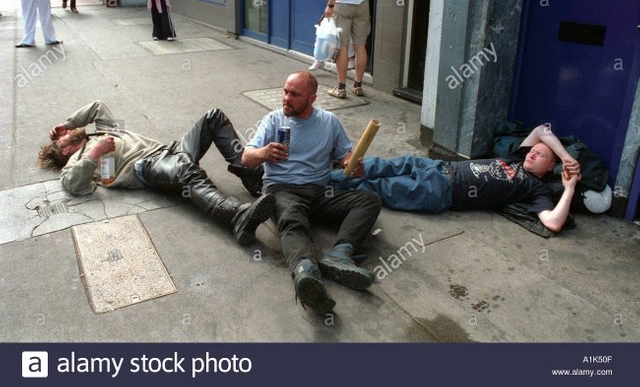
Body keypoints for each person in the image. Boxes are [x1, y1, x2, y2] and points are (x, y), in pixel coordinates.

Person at [38, 101, 274, 246]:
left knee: (213, 116)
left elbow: (97, 106)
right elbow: (72, 184)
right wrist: (96, 154)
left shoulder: (101, 131)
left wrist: (68, 124)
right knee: (184, 170)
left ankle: (253, 179)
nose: (61, 135)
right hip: (146, 167)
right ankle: (235, 217)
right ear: (66, 150)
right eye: (60, 140)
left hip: (169, 149)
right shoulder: (78, 160)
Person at [242, 72, 382, 315]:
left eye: (294, 94)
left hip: (319, 191)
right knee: (292, 219)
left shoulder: (329, 122)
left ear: (312, 98)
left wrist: (354, 163)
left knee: (369, 200)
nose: (286, 98)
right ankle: (306, 273)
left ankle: (340, 255)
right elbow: (245, 158)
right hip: (282, 188)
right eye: (285, 91)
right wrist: (264, 153)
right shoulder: (274, 120)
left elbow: (345, 155)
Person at [329, 124, 582, 233]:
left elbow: (553, 223)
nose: (533, 153)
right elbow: (541, 130)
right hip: (439, 166)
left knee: (377, 186)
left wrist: (569, 188)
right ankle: (325, 173)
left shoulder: (536, 190)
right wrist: (565, 155)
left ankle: (318, 185)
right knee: (375, 165)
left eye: (540, 155)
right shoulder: (518, 158)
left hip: (441, 191)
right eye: (534, 150)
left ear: (550, 167)